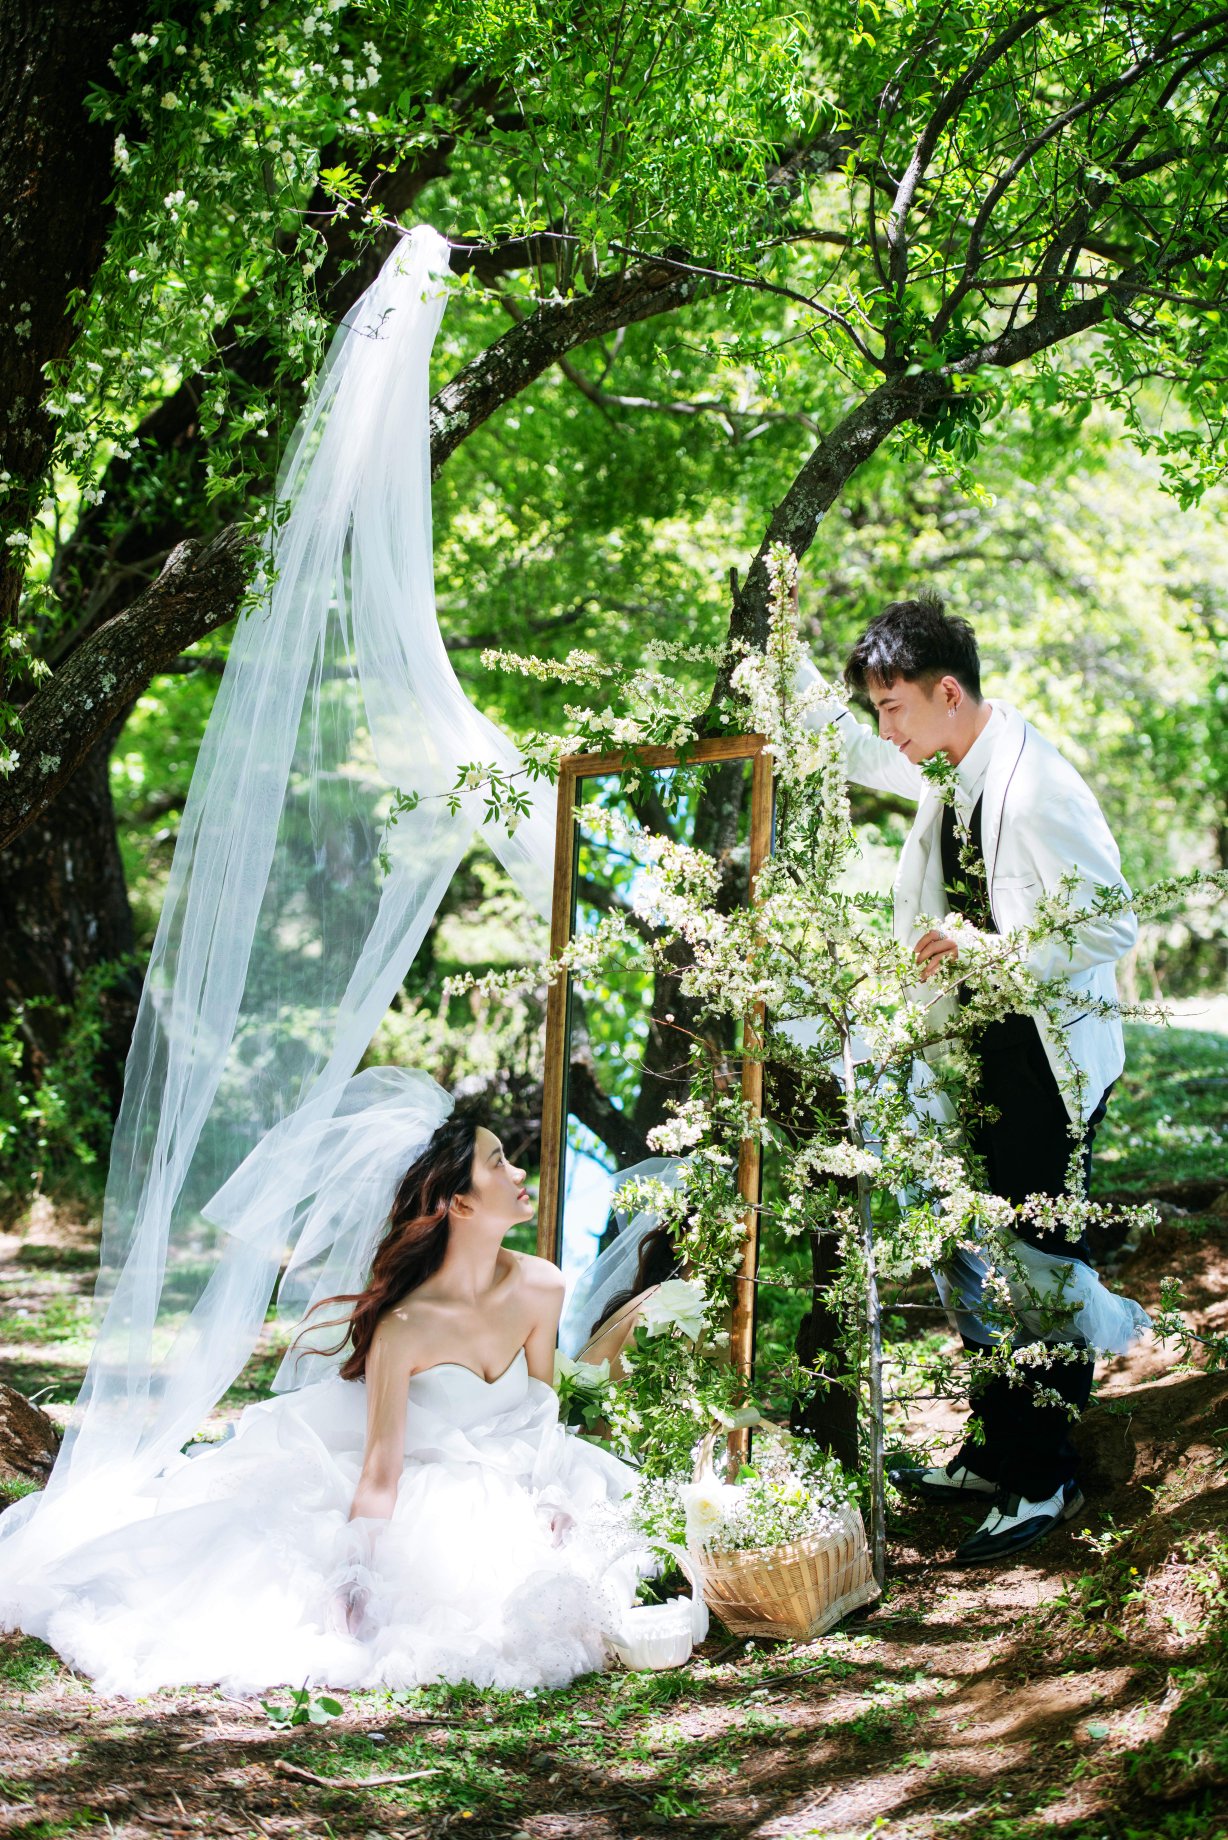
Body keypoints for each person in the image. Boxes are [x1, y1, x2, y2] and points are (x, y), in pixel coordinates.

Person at [10, 1100, 654, 1697]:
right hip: (421, 1483)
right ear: (459, 1202)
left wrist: (551, 1494)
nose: (517, 1171)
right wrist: (357, 1568)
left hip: (515, 1476)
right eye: (497, 1162)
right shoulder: (404, 1327)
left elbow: (540, 1413)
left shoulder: (542, 1285)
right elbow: (380, 1472)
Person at [801, 593, 1139, 1564]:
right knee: (978, 1251)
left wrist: (992, 951)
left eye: (892, 708)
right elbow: (865, 764)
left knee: (1038, 1263)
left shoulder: (1038, 788)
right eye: (876, 711)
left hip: (1044, 1059)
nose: (885, 731)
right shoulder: (949, 766)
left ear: (947, 693)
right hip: (976, 1049)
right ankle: (996, 1452)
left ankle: (1046, 1477)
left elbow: (1111, 922)